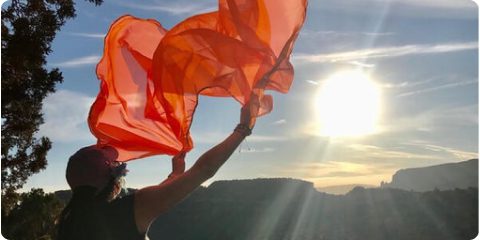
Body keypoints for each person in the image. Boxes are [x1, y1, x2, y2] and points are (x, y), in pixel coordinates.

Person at [56, 98, 258, 240]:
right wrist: (242, 128)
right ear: (110, 178)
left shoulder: (69, 223)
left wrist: (175, 175)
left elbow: (161, 195)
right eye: (117, 167)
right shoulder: (127, 210)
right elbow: (204, 169)